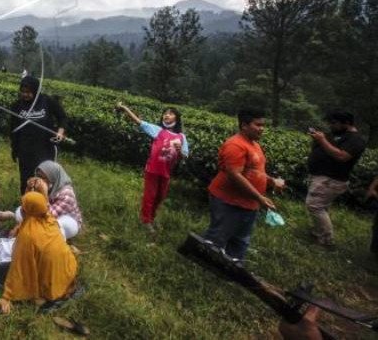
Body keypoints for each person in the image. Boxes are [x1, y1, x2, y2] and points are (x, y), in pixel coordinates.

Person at [202, 108, 285, 261]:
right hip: (229, 201)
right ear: (244, 125)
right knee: (219, 235)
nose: (262, 129)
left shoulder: (255, 145)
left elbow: (255, 171)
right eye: (258, 125)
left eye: (263, 125)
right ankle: (207, 265)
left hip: (248, 203)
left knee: (240, 239)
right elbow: (234, 175)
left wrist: (271, 181)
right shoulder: (235, 145)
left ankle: (233, 266)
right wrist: (260, 198)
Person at [0, 191, 78, 314]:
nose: (22, 210)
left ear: (27, 211)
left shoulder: (28, 235)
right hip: (66, 274)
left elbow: (19, 266)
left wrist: (7, 296)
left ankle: (41, 295)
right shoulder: (50, 220)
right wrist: (19, 228)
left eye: (24, 207)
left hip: (50, 285)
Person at [117, 103, 189, 232]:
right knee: (150, 196)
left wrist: (180, 151)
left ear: (176, 119)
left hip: (166, 172)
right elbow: (139, 122)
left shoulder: (181, 137)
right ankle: (146, 221)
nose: (166, 115)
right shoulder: (158, 130)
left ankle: (152, 218)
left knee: (160, 197)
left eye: (170, 113)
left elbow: (185, 156)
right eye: (165, 113)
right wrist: (125, 109)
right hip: (153, 169)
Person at [305, 111, 367, 247]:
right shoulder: (340, 135)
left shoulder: (356, 140)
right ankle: (320, 231)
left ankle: (326, 240)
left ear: (347, 123)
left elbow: (342, 156)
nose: (331, 126)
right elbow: (330, 148)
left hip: (331, 179)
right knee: (322, 207)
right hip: (324, 177)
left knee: (315, 206)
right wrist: (319, 140)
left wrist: (322, 140)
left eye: (334, 123)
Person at [10, 75, 68, 195]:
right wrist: (15, 149)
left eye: (29, 92)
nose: (25, 94)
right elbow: (13, 130)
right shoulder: (17, 106)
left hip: (45, 149)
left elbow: (62, 117)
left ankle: (44, 205)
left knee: (44, 179)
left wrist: (60, 131)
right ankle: (27, 205)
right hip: (25, 150)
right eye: (23, 91)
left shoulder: (47, 101)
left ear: (36, 90)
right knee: (26, 180)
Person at [13, 160, 83, 239]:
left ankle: (54, 244)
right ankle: (33, 231)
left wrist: (44, 193)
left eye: (43, 177)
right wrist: (28, 189)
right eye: (38, 176)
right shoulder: (42, 186)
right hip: (45, 216)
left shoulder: (67, 193)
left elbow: (48, 216)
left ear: (53, 177)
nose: (40, 180)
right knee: (18, 212)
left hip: (65, 219)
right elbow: (28, 206)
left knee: (57, 227)